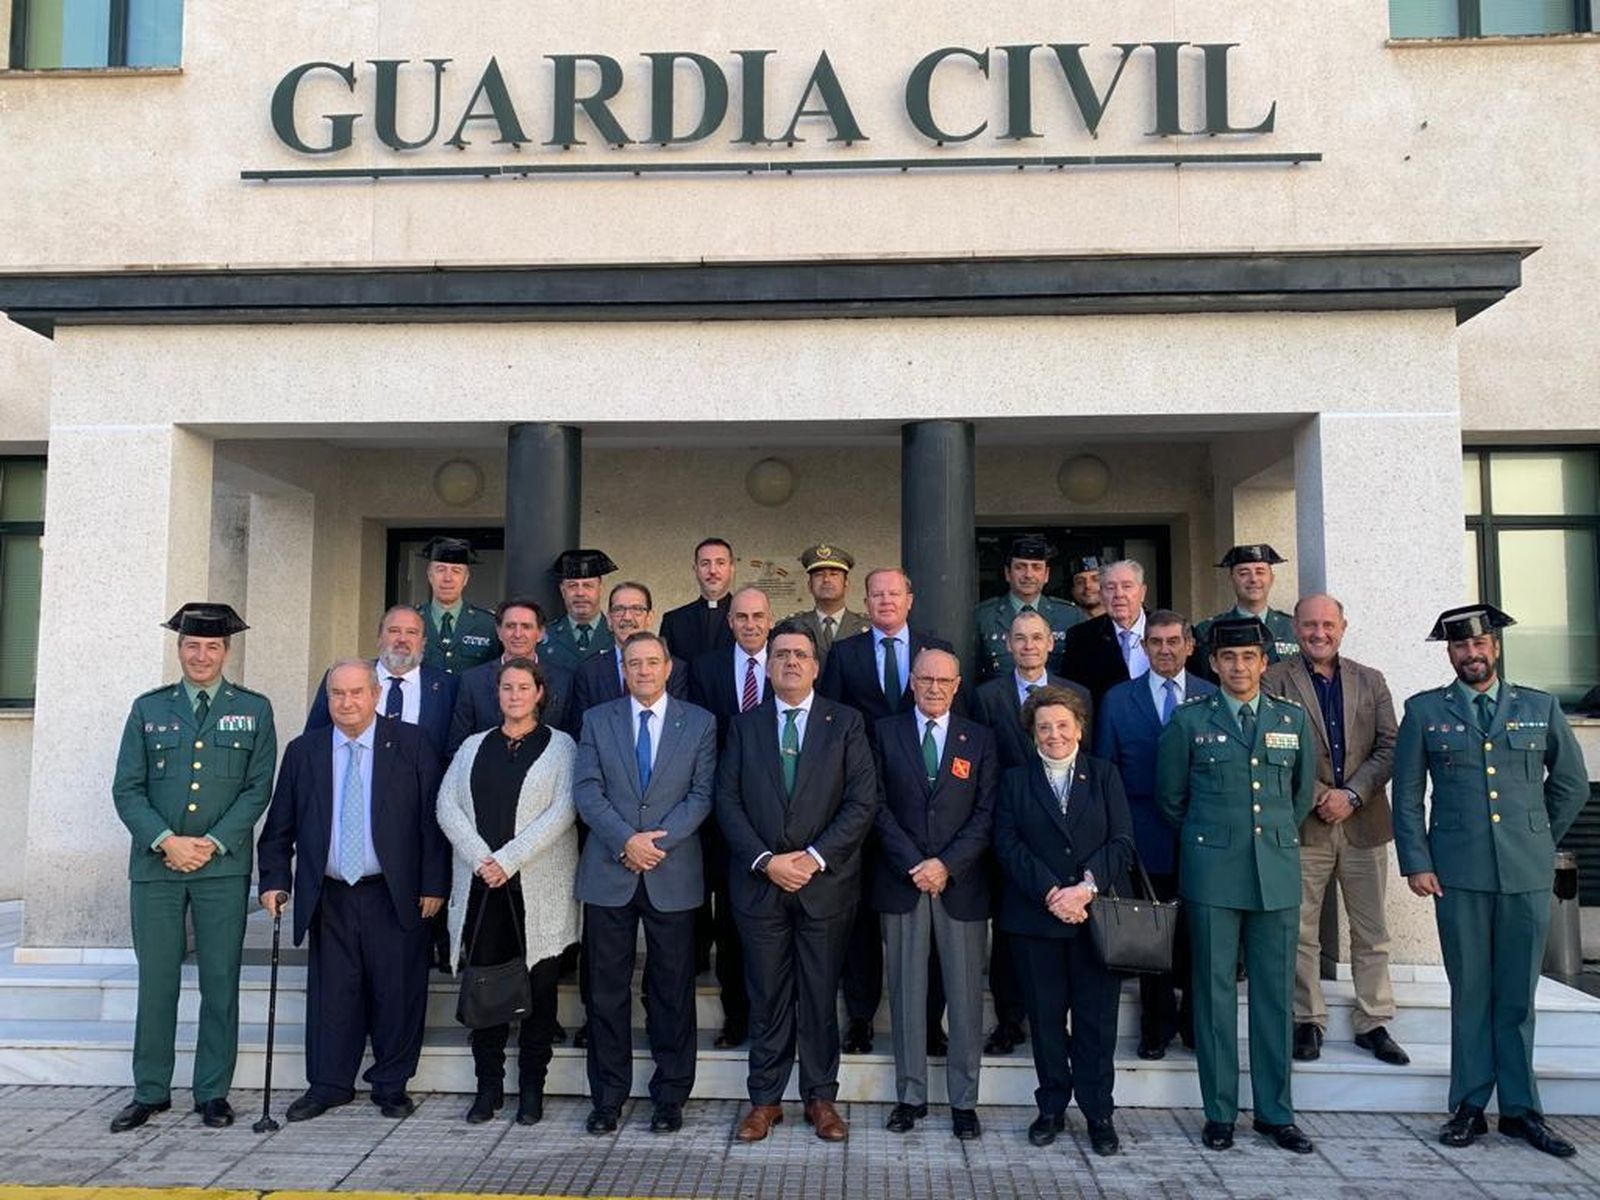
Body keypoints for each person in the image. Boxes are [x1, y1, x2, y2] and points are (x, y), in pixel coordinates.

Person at [1392, 604, 1588, 1158]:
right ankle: (1471, 1106)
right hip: (1457, 874)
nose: (1471, 654)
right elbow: (1406, 797)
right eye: (1460, 648)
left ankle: (1522, 1111)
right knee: (1471, 992)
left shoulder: (1539, 706)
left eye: (1478, 646)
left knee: (1518, 997)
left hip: (1526, 873)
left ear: (1494, 649)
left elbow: (1571, 783)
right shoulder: (1425, 711)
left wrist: (1535, 835)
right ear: (1450, 653)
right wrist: (1417, 861)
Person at [109, 603, 277, 1133]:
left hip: (220, 868)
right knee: (156, 982)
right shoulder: (147, 709)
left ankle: (211, 1092)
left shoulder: (253, 709)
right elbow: (127, 789)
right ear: (179, 649)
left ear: (226, 652)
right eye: (191, 646)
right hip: (156, 868)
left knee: (220, 981)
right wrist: (165, 841)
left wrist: (210, 842)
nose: (201, 655)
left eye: (212, 647)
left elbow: (258, 788)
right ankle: (151, 1091)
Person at [257, 659, 449, 1122]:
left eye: (356, 692)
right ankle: (328, 1084)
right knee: (332, 994)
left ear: (376, 695)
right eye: (337, 694)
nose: (346, 702)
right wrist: (275, 879)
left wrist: (433, 883)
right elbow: (279, 826)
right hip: (330, 893)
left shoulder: (412, 744)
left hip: (395, 891)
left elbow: (432, 822)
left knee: (397, 991)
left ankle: (390, 1084)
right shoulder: (305, 751)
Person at [1157, 617, 1317, 1155]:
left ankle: (1276, 1113)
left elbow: (1298, 798)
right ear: (1213, 664)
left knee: (1274, 998)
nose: (1239, 666)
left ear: (1264, 662)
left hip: (1275, 872)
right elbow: (1171, 800)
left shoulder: (1290, 720)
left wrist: (1266, 839)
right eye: (1229, 658)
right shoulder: (1188, 722)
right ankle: (1220, 1112)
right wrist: (1217, 843)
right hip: (1213, 875)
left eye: (1249, 657)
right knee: (1213, 995)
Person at [716, 621, 879, 1144]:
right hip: (761, 886)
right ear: (768, 664)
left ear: (815, 665)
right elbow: (728, 802)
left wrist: (810, 858)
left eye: (800, 655)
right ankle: (764, 1101)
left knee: (818, 995)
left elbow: (861, 802)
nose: (790, 662)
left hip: (824, 886)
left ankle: (820, 1099)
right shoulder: (745, 725)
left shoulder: (846, 723)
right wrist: (767, 860)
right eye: (781, 653)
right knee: (766, 996)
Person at [574, 631, 718, 1135]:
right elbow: (587, 791)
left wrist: (654, 844)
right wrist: (626, 840)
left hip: (671, 871)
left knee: (672, 990)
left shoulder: (699, 722)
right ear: (624, 670)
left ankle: (670, 1095)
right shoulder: (597, 720)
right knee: (606, 991)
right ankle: (607, 1098)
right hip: (610, 871)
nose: (642, 671)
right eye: (633, 663)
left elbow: (702, 795)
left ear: (668, 666)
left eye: (651, 662)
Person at [1262, 594, 1407, 1068]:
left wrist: (1352, 795)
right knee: (1301, 930)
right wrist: (1323, 793)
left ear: (1343, 626)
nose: (1317, 632)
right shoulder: (1273, 680)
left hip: (1364, 823)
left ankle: (1374, 1020)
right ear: (1295, 629)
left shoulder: (1372, 680)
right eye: (1308, 625)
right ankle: (1308, 1020)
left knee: (1371, 930)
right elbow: (1271, 747)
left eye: (1327, 624)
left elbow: (1390, 746)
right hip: (1306, 823)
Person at [817, 566, 955, 1053]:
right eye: (877, 595)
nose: (885, 602)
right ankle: (859, 1016)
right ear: (867, 601)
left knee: (930, 926)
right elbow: (830, 723)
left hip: (924, 817)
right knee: (858, 925)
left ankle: (929, 1022)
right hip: (860, 808)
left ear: (910, 599)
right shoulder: (845, 653)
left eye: (894, 594)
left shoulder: (936, 651)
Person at [436, 656, 578, 1126]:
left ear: (540, 693)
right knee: (486, 991)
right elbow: (447, 806)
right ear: (496, 694)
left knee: (538, 994)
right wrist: (483, 860)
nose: (514, 695)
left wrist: (509, 860)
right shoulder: (474, 746)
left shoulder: (562, 748)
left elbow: (562, 813)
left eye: (523, 687)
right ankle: (488, 1087)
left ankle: (531, 1089)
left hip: (536, 892)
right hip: (484, 892)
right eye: (506, 688)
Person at [994, 686, 1134, 1157]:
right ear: (1032, 732)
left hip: (1095, 919)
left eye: (1062, 725)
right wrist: (1053, 891)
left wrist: (1085, 888)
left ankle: (1099, 1112)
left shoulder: (1104, 775)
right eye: (1044, 726)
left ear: (1079, 728)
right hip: (1037, 919)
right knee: (1047, 1020)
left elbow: (1122, 842)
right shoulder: (1015, 780)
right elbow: (1007, 844)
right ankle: (1052, 1106)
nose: (1054, 734)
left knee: (1097, 1023)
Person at [872, 649, 997, 1141]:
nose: (934, 688)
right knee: (906, 992)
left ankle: (964, 1101)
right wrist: (915, 864)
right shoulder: (884, 732)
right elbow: (876, 805)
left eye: (944, 680)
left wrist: (946, 864)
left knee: (965, 997)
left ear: (958, 683)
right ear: (912, 682)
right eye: (925, 679)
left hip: (959, 883)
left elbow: (986, 812)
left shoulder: (979, 739)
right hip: (903, 880)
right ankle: (911, 1096)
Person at [970, 608, 1094, 1056]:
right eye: (1019, 638)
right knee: (1008, 933)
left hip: (1064, 834)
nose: (1028, 645)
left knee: (1063, 936)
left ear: (1050, 643)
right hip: (1012, 830)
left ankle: (1059, 1022)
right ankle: (1009, 1021)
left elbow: (1086, 763)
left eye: (1036, 637)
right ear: (1007, 644)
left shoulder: (1076, 693)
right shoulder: (986, 697)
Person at [1093, 609, 1215, 1060]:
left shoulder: (1210, 696)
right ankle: (1156, 1026)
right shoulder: (1118, 700)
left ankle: (1195, 1026)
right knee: (1152, 938)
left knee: (1199, 937)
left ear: (1189, 646)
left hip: (1202, 835)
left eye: (1173, 642)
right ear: (1144, 648)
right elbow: (1106, 772)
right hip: (1142, 836)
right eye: (1156, 642)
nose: (1164, 650)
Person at [686, 585, 776, 1048]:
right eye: (741, 617)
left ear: (770, 618)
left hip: (784, 819)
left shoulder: (788, 663)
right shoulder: (706, 670)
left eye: (758, 616)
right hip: (727, 818)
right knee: (731, 923)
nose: (750, 624)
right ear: (730, 622)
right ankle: (736, 1015)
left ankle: (776, 1016)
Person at [307, 605, 457, 756]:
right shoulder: (342, 677)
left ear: (423, 642)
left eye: (412, 632)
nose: (402, 639)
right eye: (394, 631)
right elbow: (314, 741)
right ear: (379, 638)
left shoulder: (448, 686)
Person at [449, 598, 576, 754]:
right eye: (510, 626)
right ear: (499, 632)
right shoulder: (472, 681)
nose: (517, 634)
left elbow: (572, 743)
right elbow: (457, 747)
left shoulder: (564, 681)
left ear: (541, 633)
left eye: (526, 627)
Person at [571, 581, 689, 723]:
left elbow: (679, 726)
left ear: (650, 617)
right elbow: (581, 729)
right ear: (609, 619)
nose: (627, 617)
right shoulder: (589, 671)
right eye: (619, 609)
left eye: (637, 609)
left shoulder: (675, 669)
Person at [973, 534, 1084, 681]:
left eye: (1036, 567)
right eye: (1020, 567)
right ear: (1007, 573)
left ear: (1046, 575)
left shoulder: (1070, 616)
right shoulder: (983, 616)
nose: (1028, 574)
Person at [1191, 544, 1300, 681]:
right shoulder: (1207, 630)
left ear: (1271, 578)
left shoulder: (1293, 628)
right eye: (1244, 573)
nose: (1253, 579)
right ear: (1231, 579)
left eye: (1260, 572)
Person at [1059, 559, 1152, 703]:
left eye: (1127, 586)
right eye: (1110, 587)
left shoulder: (1170, 630)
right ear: (1101, 594)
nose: (1119, 594)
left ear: (1142, 592)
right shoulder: (1081, 638)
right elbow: (1073, 697)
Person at [415, 536, 500, 675]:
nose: (447, 578)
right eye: (441, 570)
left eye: (456, 571)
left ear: (466, 578)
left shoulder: (488, 624)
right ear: (430, 575)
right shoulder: (411, 619)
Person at [786, 542, 872, 666]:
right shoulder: (793, 625)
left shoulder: (867, 627)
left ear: (846, 583)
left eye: (834, 574)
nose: (826, 579)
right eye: (819, 575)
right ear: (809, 585)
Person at [659, 537, 738, 665]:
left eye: (720, 563)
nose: (712, 571)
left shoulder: (749, 618)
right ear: (695, 570)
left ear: (732, 569)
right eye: (705, 563)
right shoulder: (673, 621)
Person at [541, 548, 619, 672]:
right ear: (563, 590)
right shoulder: (544, 637)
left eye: (588, 585)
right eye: (572, 586)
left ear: (600, 588)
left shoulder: (618, 635)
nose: (580, 593)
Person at [1068, 555, 1106, 619]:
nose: (1087, 585)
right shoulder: (1064, 623)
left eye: (1096, 579)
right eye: (1080, 582)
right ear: (1073, 590)